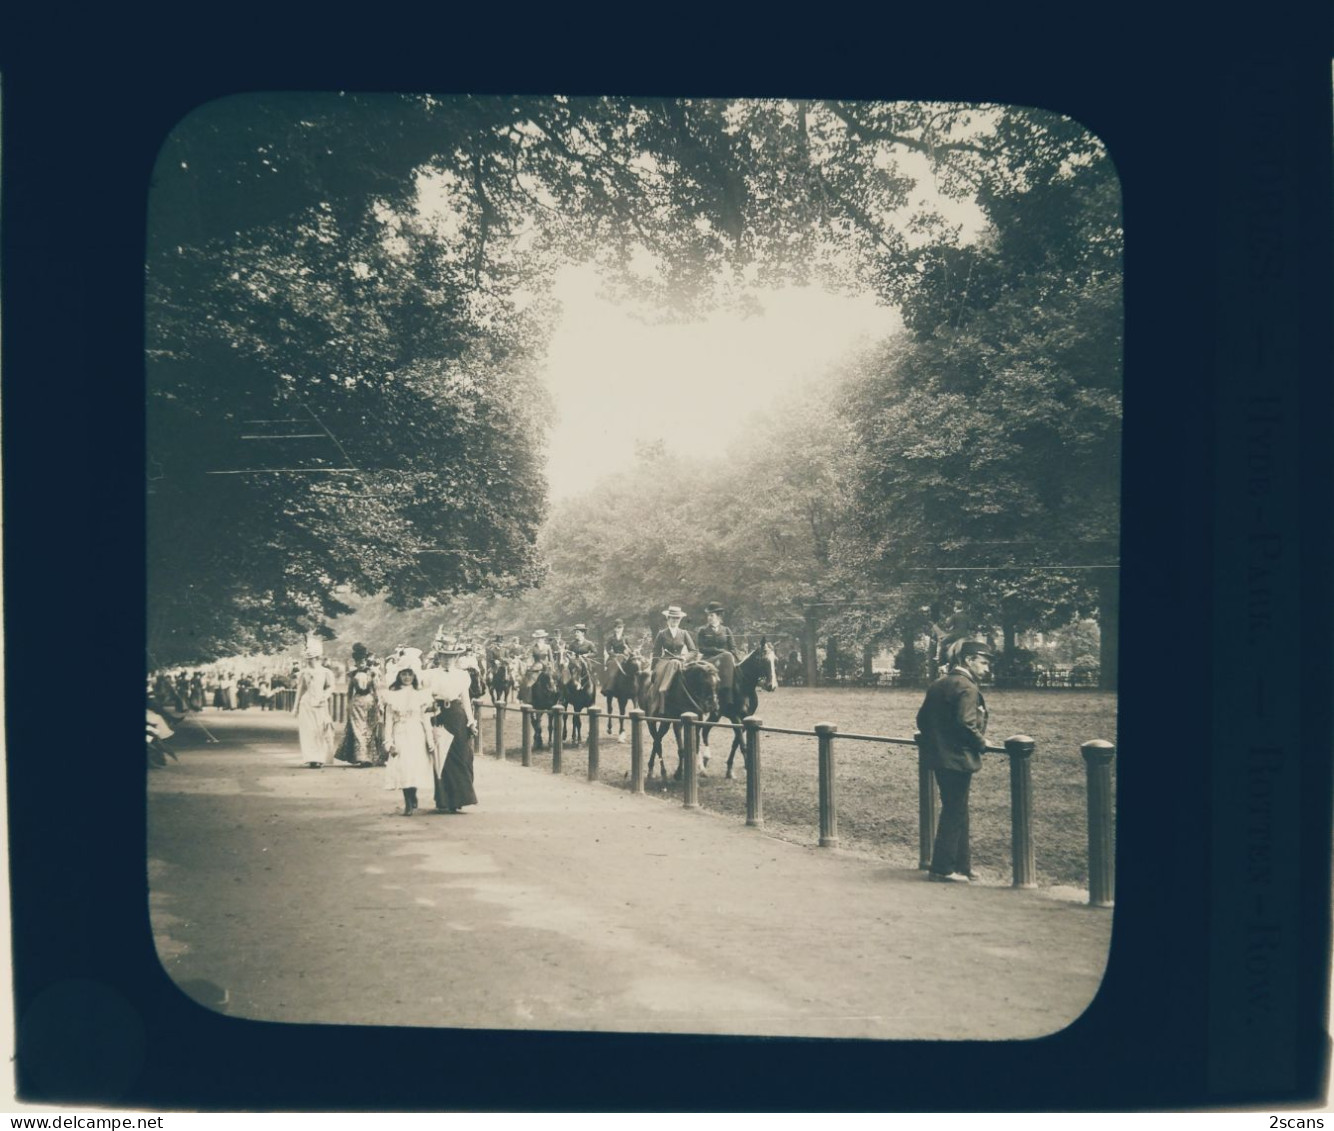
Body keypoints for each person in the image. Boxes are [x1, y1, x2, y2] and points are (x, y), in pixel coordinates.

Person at [916, 640, 992, 884]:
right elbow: (965, 724)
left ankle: (961, 865)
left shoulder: (939, 684)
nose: (986, 668)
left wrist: (939, 741)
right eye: (983, 662)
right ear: (969, 660)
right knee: (954, 811)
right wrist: (981, 742)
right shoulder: (967, 687)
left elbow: (922, 720)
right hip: (959, 759)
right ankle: (942, 869)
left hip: (939, 757)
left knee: (957, 809)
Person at [423, 642, 479, 813]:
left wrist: (471, 721)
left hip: (457, 715)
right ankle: (444, 799)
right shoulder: (430, 675)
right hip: (438, 715)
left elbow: (466, 700)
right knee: (442, 757)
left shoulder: (462, 676)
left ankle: (460, 798)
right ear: (439, 657)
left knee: (461, 756)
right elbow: (425, 698)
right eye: (444, 656)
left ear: (456, 658)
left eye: (451, 657)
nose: (447, 660)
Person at [380, 662, 436, 816]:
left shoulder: (420, 695)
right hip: (400, 733)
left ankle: (413, 794)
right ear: (398, 676)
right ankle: (408, 803)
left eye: (409, 674)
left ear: (414, 676)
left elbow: (425, 720)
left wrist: (430, 740)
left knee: (414, 766)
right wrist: (388, 741)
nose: (406, 677)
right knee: (403, 766)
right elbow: (389, 721)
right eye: (403, 674)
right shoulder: (391, 695)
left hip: (416, 732)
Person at [334, 658, 382, 767]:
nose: (361, 664)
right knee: (358, 728)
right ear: (356, 663)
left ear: (366, 663)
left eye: (362, 662)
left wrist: (378, 702)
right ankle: (361, 757)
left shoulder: (372, 673)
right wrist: (348, 704)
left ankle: (369, 757)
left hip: (369, 702)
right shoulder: (353, 675)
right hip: (357, 702)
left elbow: (376, 689)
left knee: (369, 728)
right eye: (359, 662)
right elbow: (350, 691)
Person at [292, 648, 336, 768]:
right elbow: (300, 690)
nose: (309, 661)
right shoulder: (303, 673)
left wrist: (325, 695)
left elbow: (331, 687)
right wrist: (295, 707)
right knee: (308, 731)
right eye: (307, 659)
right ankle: (312, 758)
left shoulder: (326, 672)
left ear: (317, 658)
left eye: (311, 658)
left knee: (320, 730)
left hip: (321, 704)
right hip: (306, 704)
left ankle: (320, 758)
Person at [650, 605, 695, 695]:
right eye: (672, 618)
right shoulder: (661, 634)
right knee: (658, 676)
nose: (675, 620)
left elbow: (693, 651)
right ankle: (658, 698)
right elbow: (656, 652)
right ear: (668, 618)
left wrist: (685, 658)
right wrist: (654, 668)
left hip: (680, 662)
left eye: (677, 618)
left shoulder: (684, 633)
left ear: (680, 620)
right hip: (665, 661)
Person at [696, 601, 740, 691]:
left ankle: (730, 696)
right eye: (708, 615)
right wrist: (719, 651)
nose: (709, 618)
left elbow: (733, 648)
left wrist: (736, 659)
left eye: (712, 615)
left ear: (718, 616)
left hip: (725, 661)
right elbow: (701, 649)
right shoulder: (703, 630)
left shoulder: (726, 630)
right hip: (708, 660)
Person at [519, 629, 554, 701]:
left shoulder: (547, 647)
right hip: (535, 668)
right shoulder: (533, 647)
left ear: (544, 638)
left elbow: (551, 659)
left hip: (546, 668)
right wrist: (528, 662)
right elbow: (529, 656)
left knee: (553, 683)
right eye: (538, 638)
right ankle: (528, 700)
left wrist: (551, 666)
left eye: (541, 637)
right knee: (528, 684)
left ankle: (556, 699)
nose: (539, 639)